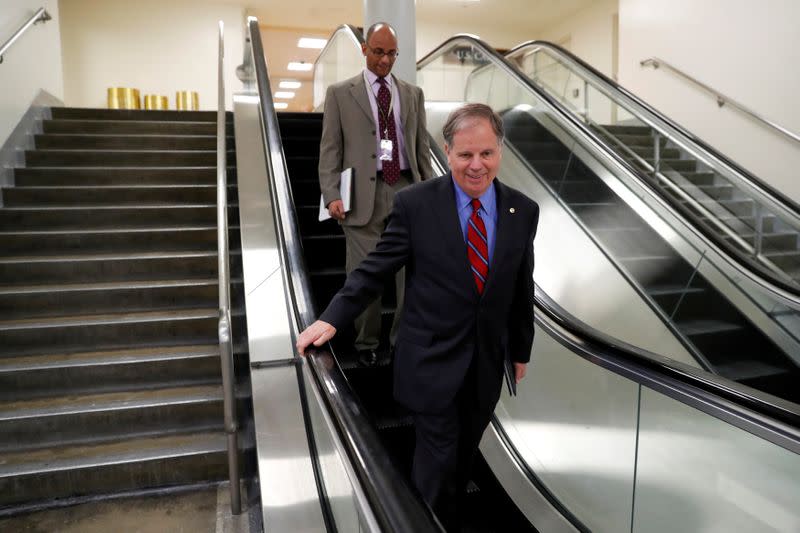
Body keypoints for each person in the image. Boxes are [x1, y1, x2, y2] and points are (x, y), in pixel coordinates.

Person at [299, 103, 539, 532]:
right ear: (446, 152)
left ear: (499, 151)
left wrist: (520, 349)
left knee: (461, 460)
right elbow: (375, 268)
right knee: (437, 461)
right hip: (431, 363)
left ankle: (442, 520)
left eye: (486, 153)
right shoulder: (416, 204)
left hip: (484, 365)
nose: (477, 165)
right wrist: (332, 317)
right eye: (465, 154)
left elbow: (521, 287)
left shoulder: (522, 210)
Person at [318, 21, 433, 367]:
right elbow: (330, 149)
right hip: (360, 195)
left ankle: (401, 341)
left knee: (409, 277)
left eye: (391, 54)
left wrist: (430, 192)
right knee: (364, 274)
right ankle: (366, 343)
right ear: (365, 48)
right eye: (379, 52)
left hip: (407, 190)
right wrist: (330, 192)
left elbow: (421, 146)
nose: (385, 60)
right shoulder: (340, 93)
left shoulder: (412, 94)